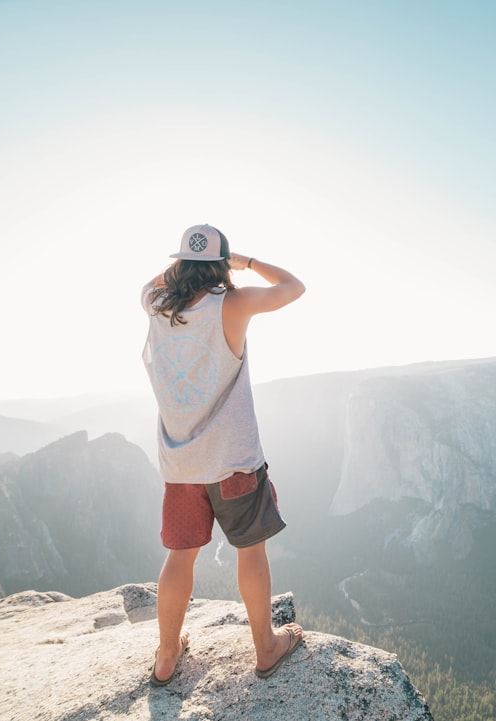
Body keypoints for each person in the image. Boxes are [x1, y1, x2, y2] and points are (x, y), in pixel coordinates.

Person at [140, 223, 306, 685]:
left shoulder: (154, 304)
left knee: (180, 556)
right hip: (234, 462)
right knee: (250, 553)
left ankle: (167, 656)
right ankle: (266, 648)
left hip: (180, 465)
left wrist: (182, 265)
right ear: (220, 263)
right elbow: (294, 287)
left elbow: (155, 283)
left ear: (179, 264)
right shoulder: (231, 304)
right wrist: (245, 262)